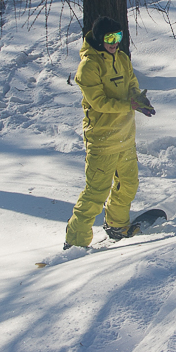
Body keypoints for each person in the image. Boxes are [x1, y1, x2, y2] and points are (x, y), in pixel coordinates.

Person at [64, 15, 156, 249]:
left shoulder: (122, 59)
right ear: (98, 39)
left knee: (128, 184)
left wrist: (138, 98)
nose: (115, 42)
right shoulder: (89, 67)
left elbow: (132, 84)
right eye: (109, 38)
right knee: (95, 194)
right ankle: (75, 243)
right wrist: (129, 106)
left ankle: (117, 225)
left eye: (118, 37)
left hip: (125, 138)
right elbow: (99, 103)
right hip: (102, 140)